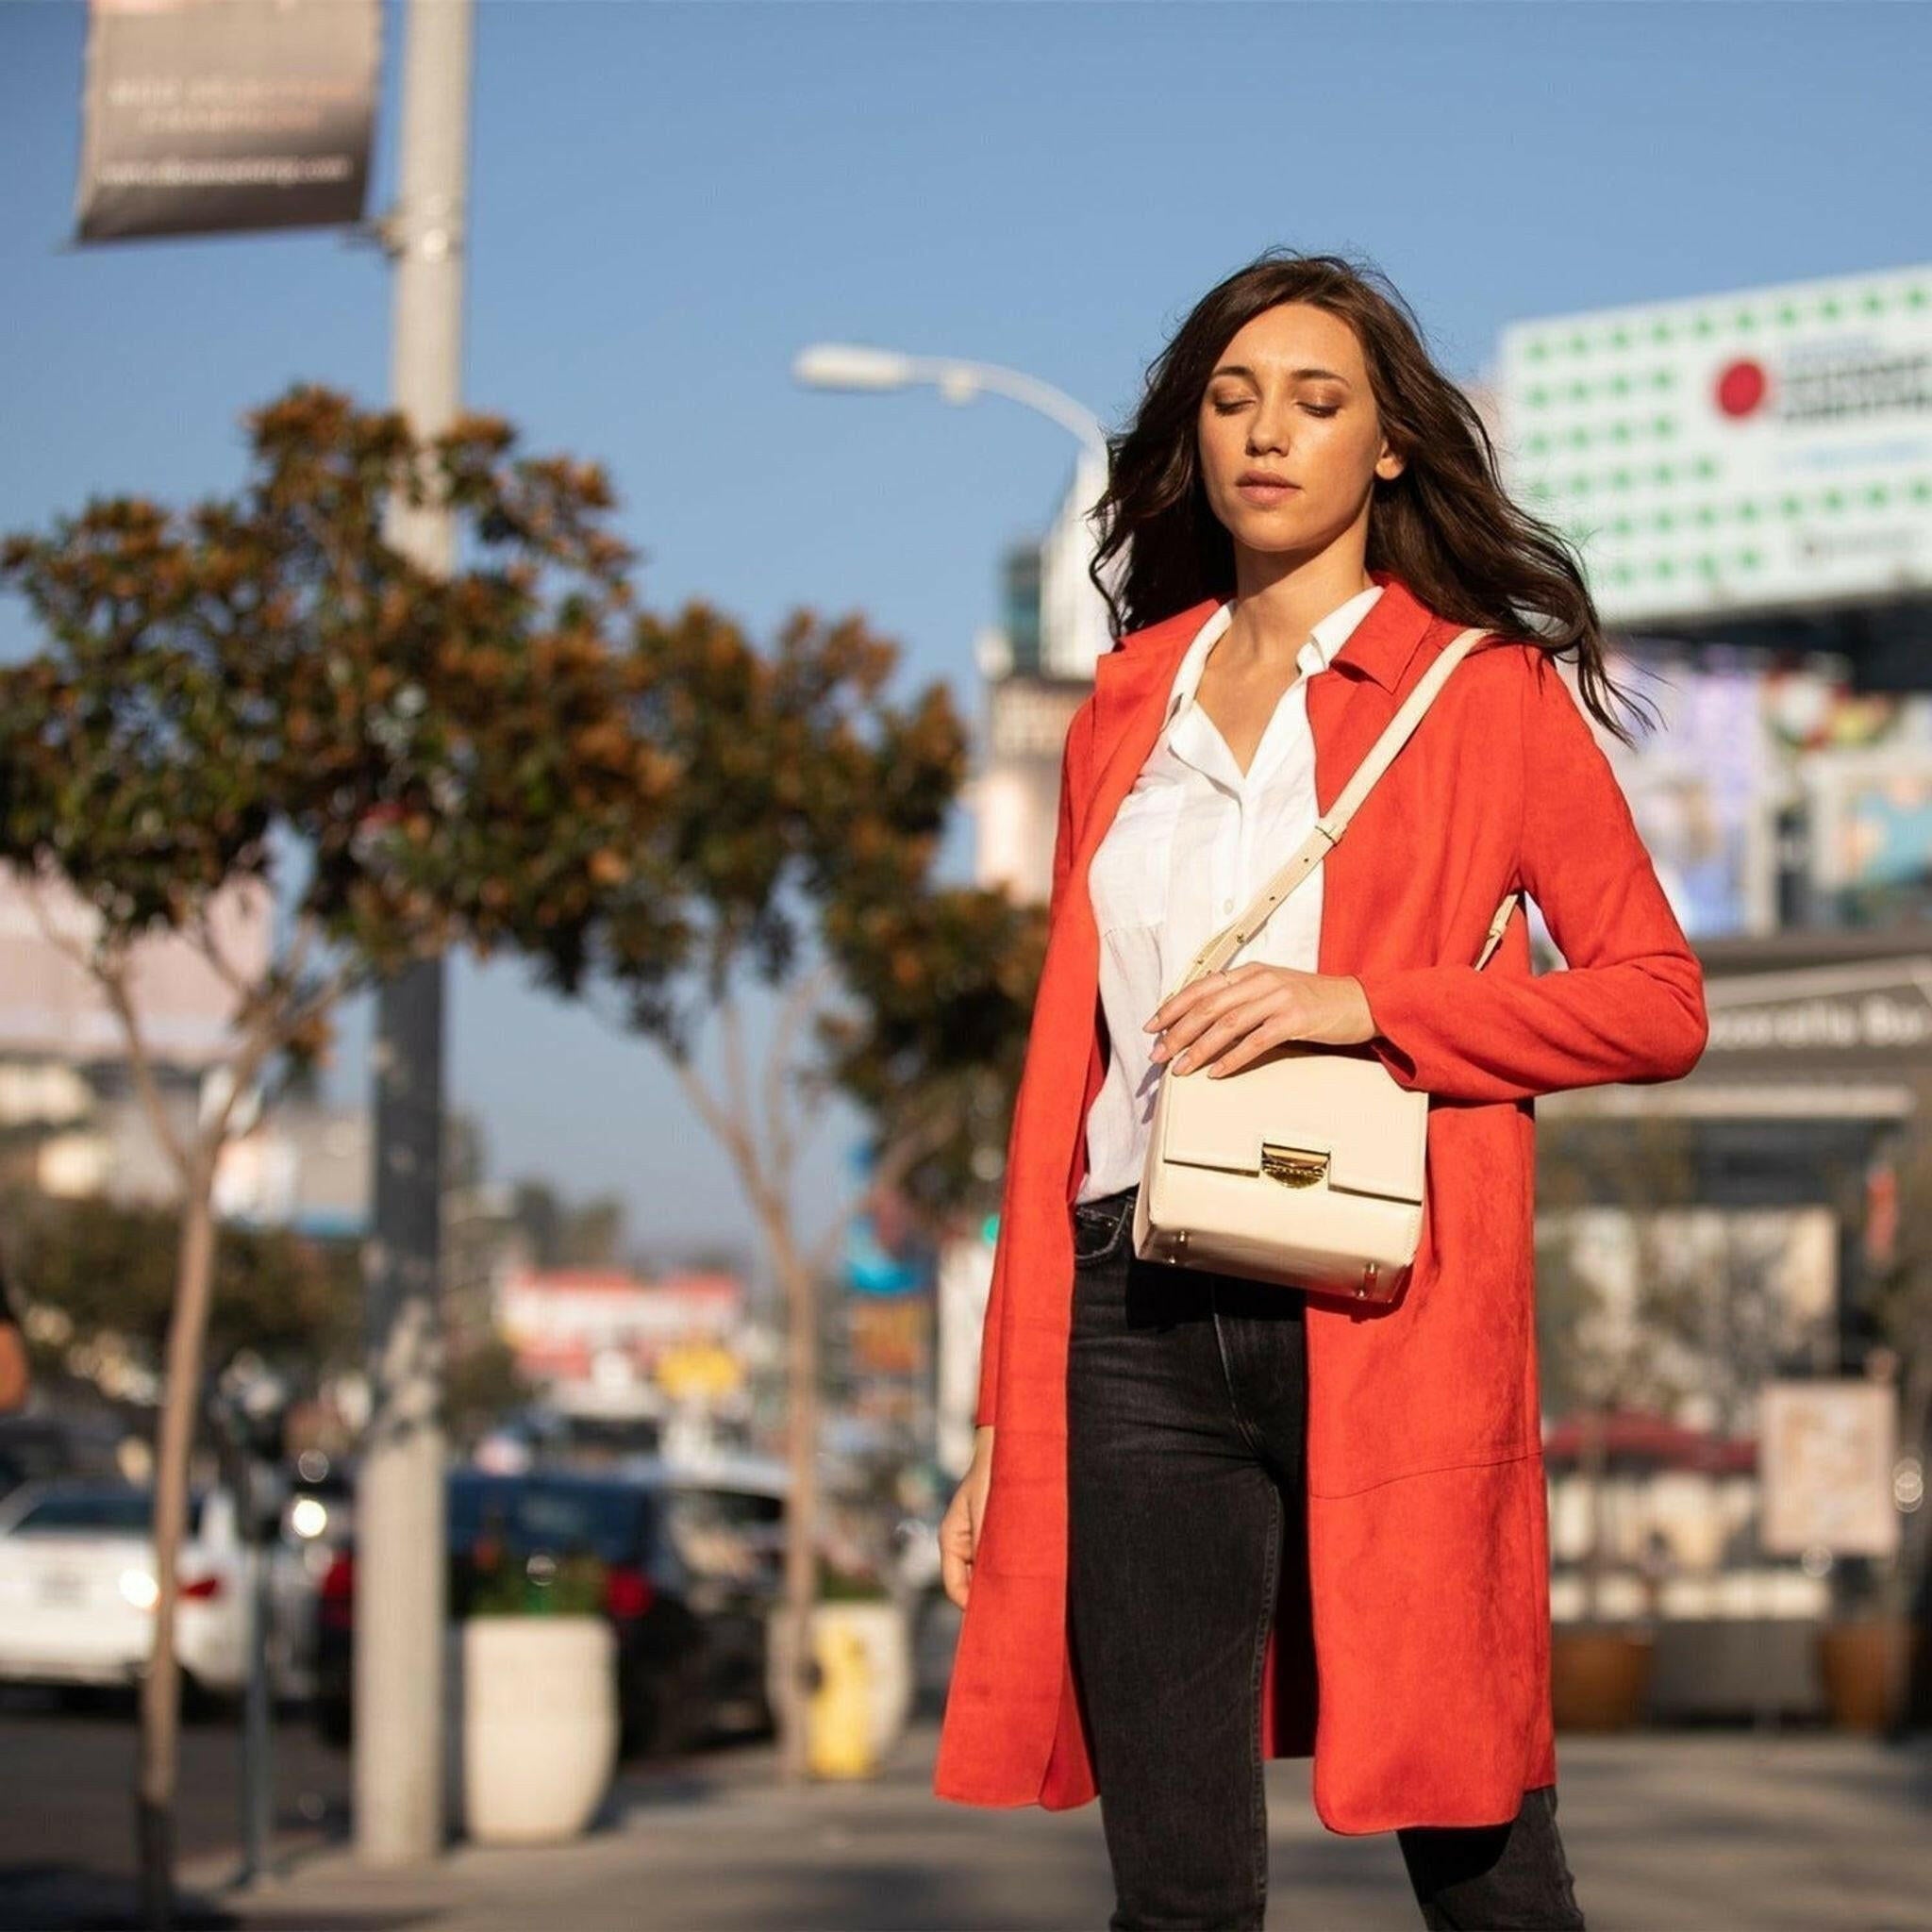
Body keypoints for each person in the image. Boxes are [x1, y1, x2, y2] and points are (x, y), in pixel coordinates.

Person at [933, 250, 1707, 1931]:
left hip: (1387, 1319)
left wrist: (1362, 1005)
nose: (1264, 434)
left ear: (1392, 449)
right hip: (1131, 1314)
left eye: (1315, 399)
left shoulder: (1484, 697)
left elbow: (1656, 1002)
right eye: (1229, 399)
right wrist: (1007, 1419)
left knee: (1483, 1851)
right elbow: (1062, 1078)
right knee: (1179, 1894)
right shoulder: (1118, 711)